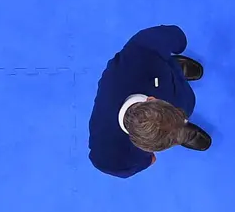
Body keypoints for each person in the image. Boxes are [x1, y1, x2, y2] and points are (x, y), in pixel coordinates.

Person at [88, 26, 211, 178]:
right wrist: (144, 163)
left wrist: (179, 44)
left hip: (161, 73)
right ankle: (183, 133)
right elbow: (145, 162)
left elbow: (171, 35)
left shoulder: (138, 56)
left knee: (167, 69)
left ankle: (175, 66)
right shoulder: (110, 155)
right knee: (184, 107)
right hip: (169, 88)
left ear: (152, 99)